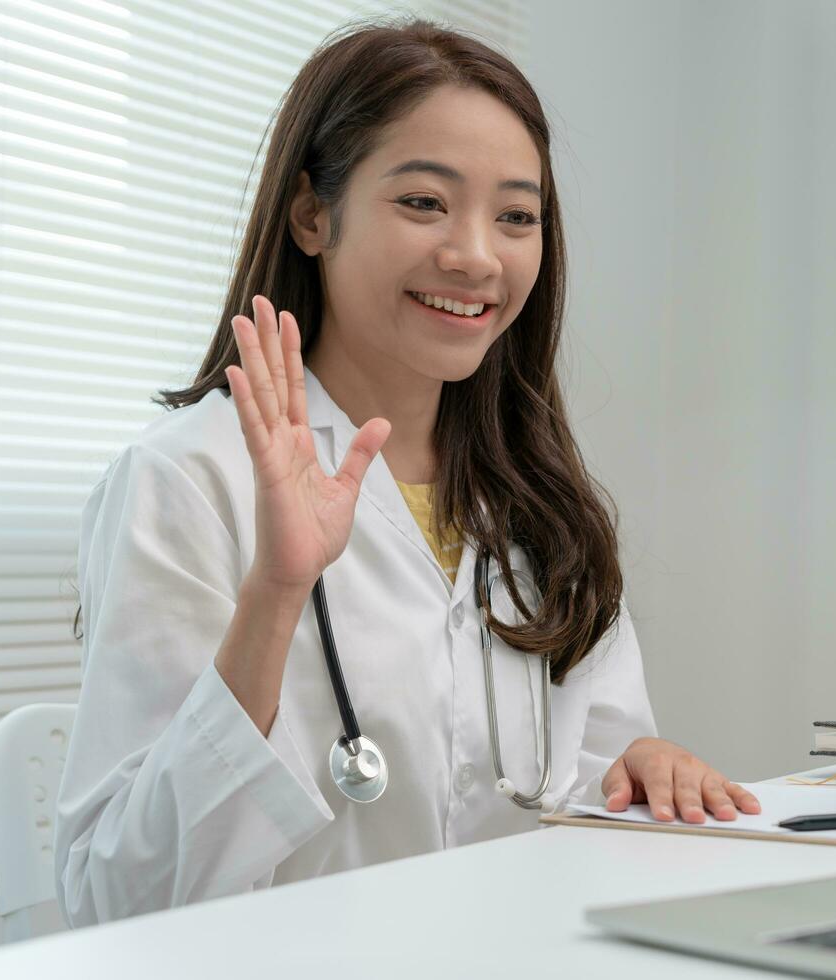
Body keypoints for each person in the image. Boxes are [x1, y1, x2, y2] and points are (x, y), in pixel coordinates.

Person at [54, 17, 758, 928]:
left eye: (516, 216)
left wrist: (647, 775)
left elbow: (590, 791)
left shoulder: (541, 507)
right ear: (313, 215)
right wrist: (277, 588)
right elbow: (118, 900)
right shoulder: (187, 480)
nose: (476, 255)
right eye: (424, 202)